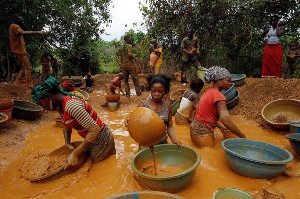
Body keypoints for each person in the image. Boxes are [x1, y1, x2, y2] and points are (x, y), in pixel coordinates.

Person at [31, 76, 116, 168]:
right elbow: (66, 125)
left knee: (96, 167)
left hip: (102, 139)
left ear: (48, 97)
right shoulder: (61, 106)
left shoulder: (72, 105)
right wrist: (67, 143)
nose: (43, 108)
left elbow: (95, 130)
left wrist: (75, 153)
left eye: (41, 104)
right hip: (92, 139)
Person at [190, 66, 246, 148]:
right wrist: (242, 136)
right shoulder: (219, 97)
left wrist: (220, 127)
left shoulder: (208, 92)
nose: (230, 83)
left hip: (194, 130)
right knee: (209, 156)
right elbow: (226, 121)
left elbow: (205, 115)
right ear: (219, 81)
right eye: (228, 80)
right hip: (203, 134)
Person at [137, 74, 182, 150]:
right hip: (146, 144)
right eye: (153, 91)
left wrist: (174, 140)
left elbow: (170, 125)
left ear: (166, 91)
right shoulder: (143, 106)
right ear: (150, 90)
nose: (156, 94)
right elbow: (135, 126)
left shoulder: (167, 106)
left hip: (162, 142)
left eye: (160, 91)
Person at [9, 14, 45, 88]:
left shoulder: (14, 27)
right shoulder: (14, 26)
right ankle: (30, 85)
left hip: (21, 51)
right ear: (17, 21)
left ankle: (16, 83)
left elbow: (20, 43)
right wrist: (38, 32)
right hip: (19, 52)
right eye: (21, 21)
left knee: (23, 67)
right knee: (28, 67)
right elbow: (23, 33)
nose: (23, 22)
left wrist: (25, 52)